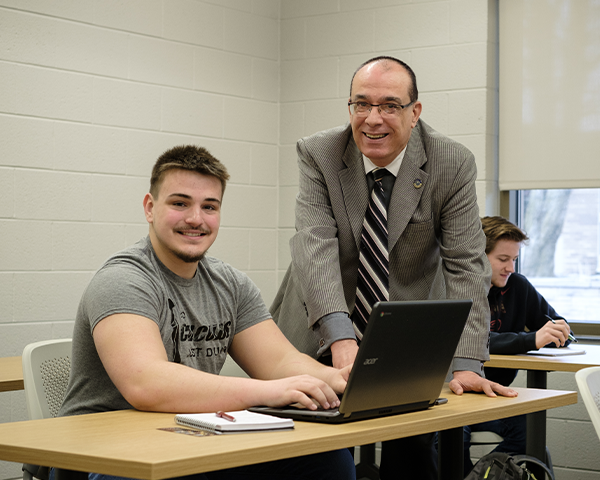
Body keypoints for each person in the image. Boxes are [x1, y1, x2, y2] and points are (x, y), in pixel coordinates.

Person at [270, 55, 517, 479]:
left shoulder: (451, 161)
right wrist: (341, 339)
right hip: (319, 315)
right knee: (313, 450)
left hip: (404, 326)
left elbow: (466, 266)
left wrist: (467, 363)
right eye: (361, 104)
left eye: (390, 105)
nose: (373, 119)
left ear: (415, 112)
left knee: (413, 446)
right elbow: (314, 248)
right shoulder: (319, 153)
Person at [58, 145, 356, 480]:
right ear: (150, 208)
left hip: (185, 441)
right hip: (98, 454)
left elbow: (279, 362)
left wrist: (341, 379)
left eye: (209, 207)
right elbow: (145, 383)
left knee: (327, 461)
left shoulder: (230, 284)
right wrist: (268, 391)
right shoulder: (123, 279)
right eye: (179, 203)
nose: (195, 219)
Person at [463, 216, 572, 475]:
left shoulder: (518, 285)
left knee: (530, 433)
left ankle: (480, 475)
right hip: (459, 392)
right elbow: (470, 340)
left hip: (496, 396)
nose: (510, 267)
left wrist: (559, 333)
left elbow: (556, 324)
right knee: (448, 440)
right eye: (503, 259)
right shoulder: (458, 287)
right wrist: (531, 339)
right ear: (478, 255)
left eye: (514, 259)